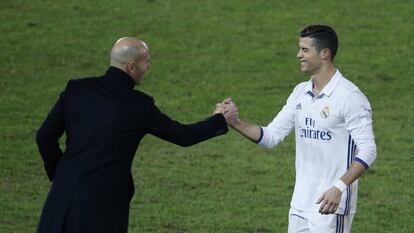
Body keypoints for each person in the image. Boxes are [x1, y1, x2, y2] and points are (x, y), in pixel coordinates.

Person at [35, 37, 238, 233]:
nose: (148, 68)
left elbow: (44, 137)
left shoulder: (76, 90)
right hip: (103, 208)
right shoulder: (139, 106)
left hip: (59, 203)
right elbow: (183, 136)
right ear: (131, 67)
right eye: (146, 62)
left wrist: (60, 175)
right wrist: (220, 119)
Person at [218, 25, 377, 233]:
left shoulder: (349, 97)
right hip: (300, 205)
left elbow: (368, 150)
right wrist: (235, 122)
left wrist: (339, 187)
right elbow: (271, 136)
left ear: (324, 53)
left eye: (305, 50)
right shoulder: (300, 92)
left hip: (330, 206)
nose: (298, 55)